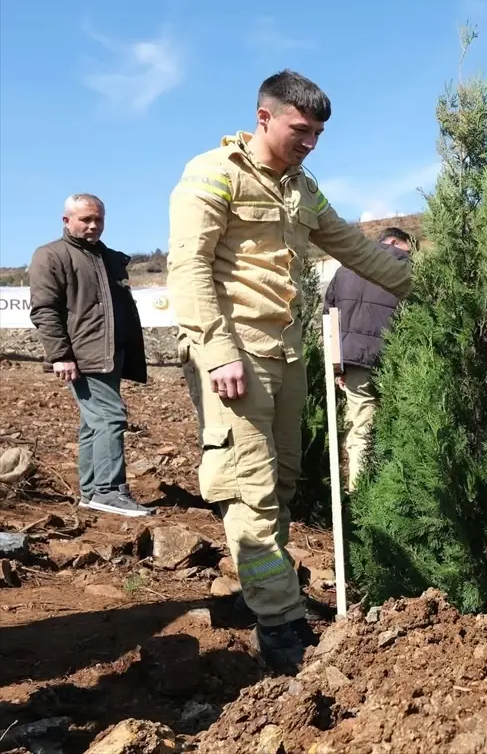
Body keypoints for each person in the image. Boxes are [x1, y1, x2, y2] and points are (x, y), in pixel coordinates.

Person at [166, 70, 413, 672]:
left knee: (282, 484)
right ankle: (281, 628)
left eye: (319, 133)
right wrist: (218, 350)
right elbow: (189, 267)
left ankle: (273, 600)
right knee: (250, 487)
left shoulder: (305, 187)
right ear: (265, 117)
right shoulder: (212, 174)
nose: (310, 142)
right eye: (301, 130)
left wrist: (436, 291)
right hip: (234, 353)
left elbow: (355, 249)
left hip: (286, 353)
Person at [29, 194, 154, 518]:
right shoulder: (51, 255)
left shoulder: (105, 257)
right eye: (86, 219)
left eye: (98, 219)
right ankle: (110, 491)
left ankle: (91, 491)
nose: (94, 225)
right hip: (82, 356)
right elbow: (45, 310)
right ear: (66, 220)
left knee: (93, 422)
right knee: (111, 417)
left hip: (109, 355)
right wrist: (60, 355)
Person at [323, 226, 413, 488]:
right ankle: (393, 496)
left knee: (361, 429)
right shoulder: (407, 268)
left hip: (353, 364)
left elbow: (329, 318)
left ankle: (359, 496)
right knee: (398, 429)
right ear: (396, 242)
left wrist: (337, 366)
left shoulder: (345, 269)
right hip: (394, 362)